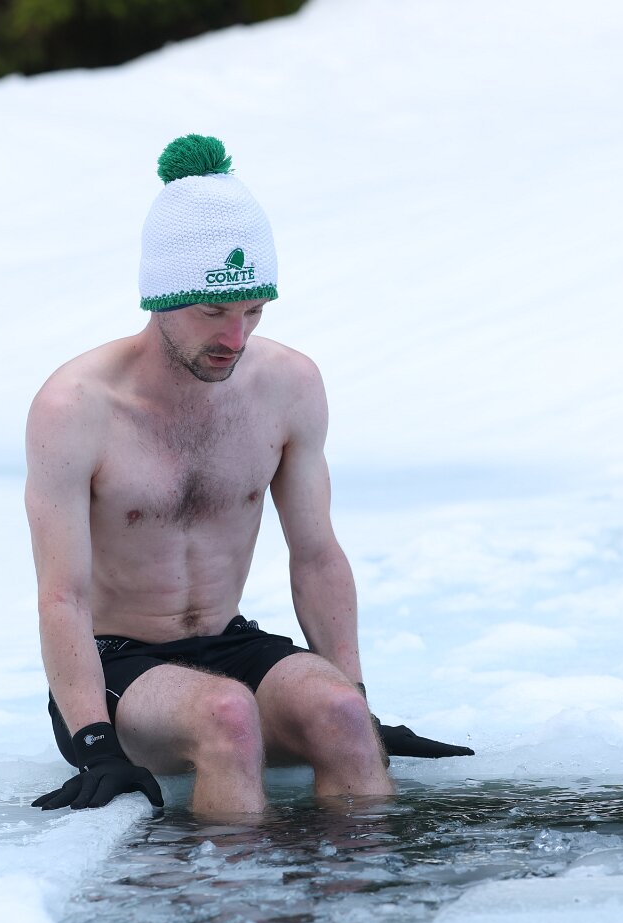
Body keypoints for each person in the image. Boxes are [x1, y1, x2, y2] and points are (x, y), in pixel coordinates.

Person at [26, 134, 471, 817]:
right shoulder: (76, 408)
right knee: (227, 717)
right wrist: (94, 742)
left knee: (343, 718)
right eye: (213, 313)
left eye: (253, 311)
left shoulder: (288, 385)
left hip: (230, 639)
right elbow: (63, 597)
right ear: (160, 298)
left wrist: (356, 698)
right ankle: (226, 888)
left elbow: (316, 554)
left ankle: (358, 886)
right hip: (116, 664)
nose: (235, 339)